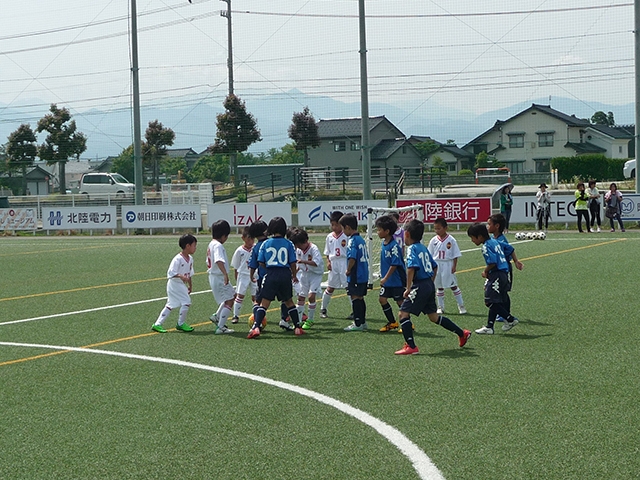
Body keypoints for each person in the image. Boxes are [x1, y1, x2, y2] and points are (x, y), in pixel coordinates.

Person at [394, 219, 471, 355]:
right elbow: (434, 266)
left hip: (420, 285)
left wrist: (408, 288)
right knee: (434, 317)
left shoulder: (412, 248)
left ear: (406, 234)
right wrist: (430, 282)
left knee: (403, 313)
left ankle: (411, 346)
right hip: (428, 284)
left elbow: (411, 268)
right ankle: (462, 333)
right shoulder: (423, 247)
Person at [248, 217, 303, 338]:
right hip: (285, 274)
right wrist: (294, 275)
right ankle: (298, 327)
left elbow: (260, 261)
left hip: (271, 273)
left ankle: (256, 327)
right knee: (289, 301)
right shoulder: (288, 243)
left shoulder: (266, 243)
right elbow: (293, 262)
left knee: (264, 303)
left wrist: (269, 268)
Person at [467, 222, 519, 335]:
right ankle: (489, 326)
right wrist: (516, 261)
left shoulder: (486, 246)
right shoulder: (495, 241)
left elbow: (492, 262)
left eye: (472, 238)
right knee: (495, 299)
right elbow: (510, 248)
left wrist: (485, 271)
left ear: (480, 236)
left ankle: (510, 319)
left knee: (489, 301)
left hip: (497, 274)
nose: (472, 241)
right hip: (505, 273)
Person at [152, 234, 198, 333]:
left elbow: (189, 274)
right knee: (186, 301)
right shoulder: (178, 259)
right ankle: (180, 324)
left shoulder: (190, 259)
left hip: (180, 285)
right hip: (174, 284)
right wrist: (181, 276)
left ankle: (157, 324)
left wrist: (190, 285)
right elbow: (171, 272)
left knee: (170, 304)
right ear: (187, 246)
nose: (195, 248)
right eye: (194, 245)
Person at [487, 213, 524, 320]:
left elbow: (510, 249)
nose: (487, 226)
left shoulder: (501, 240)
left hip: (504, 269)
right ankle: (502, 314)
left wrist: (516, 261)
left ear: (497, 226)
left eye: (489, 224)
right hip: (496, 270)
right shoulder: (492, 238)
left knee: (502, 292)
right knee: (499, 293)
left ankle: (505, 314)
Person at [427, 217, 466, 315]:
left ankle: (461, 306)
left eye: (439, 228)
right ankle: (440, 307)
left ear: (445, 228)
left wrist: (454, 266)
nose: (437, 231)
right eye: (435, 228)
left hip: (448, 264)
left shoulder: (451, 240)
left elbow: (455, 254)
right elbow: (430, 254)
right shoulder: (433, 240)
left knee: (453, 285)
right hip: (437, 265)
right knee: (439, 286)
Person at [375, 215, 406, 333]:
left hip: (396, 280)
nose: (377, 232)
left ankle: (407, 323)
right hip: (387, 281)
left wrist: (386, 277)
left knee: (400, 302)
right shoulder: (384, 243)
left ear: (387, 231)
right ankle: (392, 322)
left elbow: (395, 264)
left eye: (379, 230)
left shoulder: (394, 246)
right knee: (382, 299)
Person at [339, 213, 369, 331]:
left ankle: (357, 323)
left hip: (356, 274)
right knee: (360, 298)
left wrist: (348, 269)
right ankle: (362, 322)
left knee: (355, 297)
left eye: (342, 228)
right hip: (364, 273)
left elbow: (352, 257)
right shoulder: (361, 239)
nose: (343, 231)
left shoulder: (352, 240)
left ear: (347, 227)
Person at [290, 228, 324, 330]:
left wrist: (304, 261)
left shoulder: (313, 248)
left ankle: (310, 319)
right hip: (304, 275)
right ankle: (298, 321)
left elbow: (316, 262)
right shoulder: (299, 250)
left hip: (315, 275)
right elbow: (298, 264)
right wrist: (294, 275)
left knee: (311, 296)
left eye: (299, 245)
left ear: (305, 241)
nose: (298, 247)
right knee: (301, 297)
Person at [206, 220, 235, 334]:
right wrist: (225, 274)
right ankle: (220, 327)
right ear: (223, 235)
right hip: (218, 277)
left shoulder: (211, 243)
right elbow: (218, 260)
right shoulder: (218, 246)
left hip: (214, 276)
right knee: (230, 300)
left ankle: (217, 316)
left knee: (232, 295)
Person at [320, 211, 348, 319]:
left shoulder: (346, 236)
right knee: (330, 287)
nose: (334, 227)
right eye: (332, 225)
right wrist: (328, 262)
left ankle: (354, 311)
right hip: (334, 263)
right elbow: (327, 252)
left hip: (343, 262)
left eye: (336, 225)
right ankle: (323, 309)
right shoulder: (329, 237)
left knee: (348, 287)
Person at [230, 227, 256, 324]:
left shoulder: (256, 248)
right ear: (243, 238)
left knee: (255, 297)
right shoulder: (239, 251)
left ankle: (256, 315)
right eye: (248, 239)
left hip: (255, 275)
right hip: (243, 275)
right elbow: (236, 266)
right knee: (240, 295)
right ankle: (235, 315)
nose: (251, 241)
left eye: (252, 239)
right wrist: (237, 277)